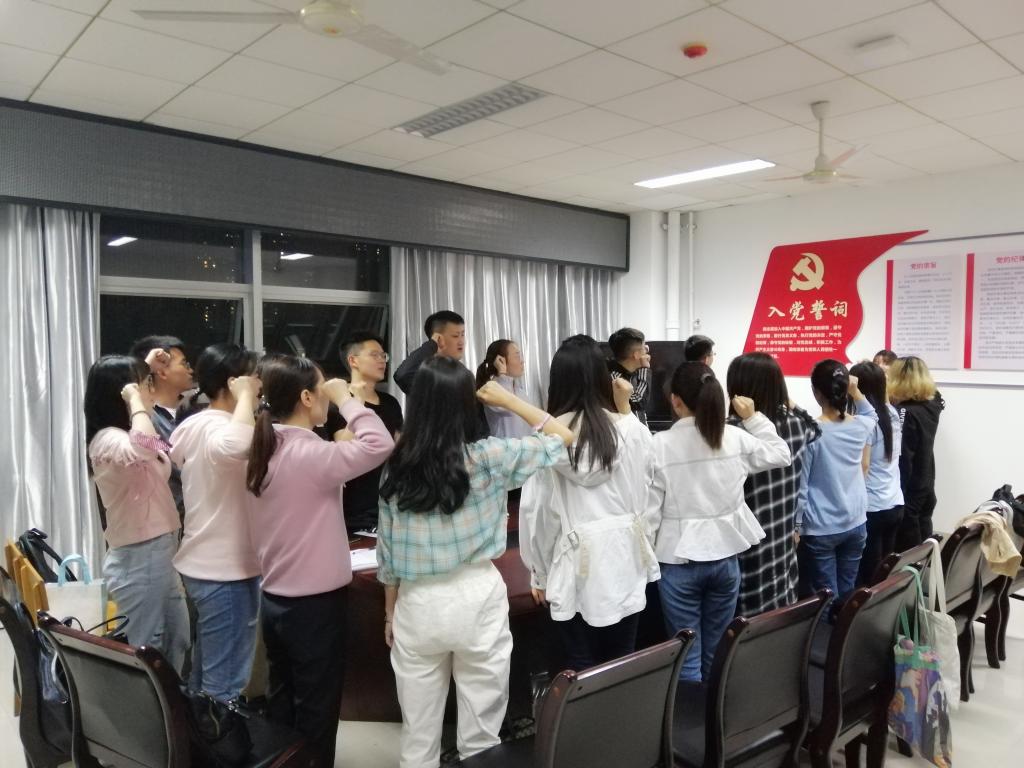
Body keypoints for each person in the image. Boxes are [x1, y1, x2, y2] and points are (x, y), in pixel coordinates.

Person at [377, 357, 574, 768]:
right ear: (467, 404)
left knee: (418, 735)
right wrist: (510, 401)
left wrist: (390, 612)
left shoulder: (397, 465)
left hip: (418, 601)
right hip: (477, 593)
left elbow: (388, 552)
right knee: (482, 734)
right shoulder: (490, 456)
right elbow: (563, 437)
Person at [246, 354, 394, 767]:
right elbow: (380, 444)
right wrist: (347, 398)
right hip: (313, 607)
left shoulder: (263, 447)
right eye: (322, 389)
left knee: (282, 700)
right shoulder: (310, 454)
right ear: (307, 397)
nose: (328, 396)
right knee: (317, 710)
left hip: (274, 599)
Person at [520, 335, 658, 671]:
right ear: (603, 377)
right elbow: (649, 490)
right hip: (627, 557)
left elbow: (539, 513)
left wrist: (539, 573)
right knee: (623, 660)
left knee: (580, 666)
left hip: (574, 565)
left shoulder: (549, 440)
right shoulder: (631, 430)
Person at [648, 362, 791, 681]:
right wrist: (753, 418)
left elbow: (650, 513)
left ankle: (689, 712)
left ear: (675, 401)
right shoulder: (735, 437)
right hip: (726, 560)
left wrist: (645, 558)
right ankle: (714, 711)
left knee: (686, 658)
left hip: (678, 561)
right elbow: (781, 454)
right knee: (716, 652)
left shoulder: (659, 445)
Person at [84, 351, 190, 672]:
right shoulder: (107, 441)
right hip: (138, 557)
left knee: (177, 639)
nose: (148, 390)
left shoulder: (131, 434)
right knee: (145, 648)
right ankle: (145, 705)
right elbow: (145, 445)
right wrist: (134, 397)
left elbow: (164, 447)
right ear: (121, 394)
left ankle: (170, 702)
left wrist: (145, 368)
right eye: (143, 384)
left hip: (161, 552)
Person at [168, 343, 261, 703]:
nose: (259, 384)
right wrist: (245, 397)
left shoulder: (196, 423)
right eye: (253, 377)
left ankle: (198, 731)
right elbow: (238, 444)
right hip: (225, 570)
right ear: (234, 382)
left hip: (205, 562)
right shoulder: (220, 427)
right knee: (225, 682)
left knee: (206, 668)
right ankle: (219, 734)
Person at [726, 352, 820, 617]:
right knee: (778, 617)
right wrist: (789, 402)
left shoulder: (732, 431)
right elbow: (816, 428)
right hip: (782, 541)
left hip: (749, 545)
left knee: (746, 622)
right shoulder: (796, 424)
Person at [796, 360, 876, 600]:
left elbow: (802, 485)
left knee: (825, 598)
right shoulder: (861, 426)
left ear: (816, 392)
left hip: (821, 526)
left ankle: (828, 626)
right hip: (856, 521)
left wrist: (796, 525)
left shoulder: (812, 432)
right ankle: (845, 626)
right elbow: (871, 413)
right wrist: (855, 391)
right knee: (847, 593)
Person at [317, 332, 404, 534]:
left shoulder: (390, 402)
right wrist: (356, 402)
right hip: (351, 507)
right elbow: (343, 448)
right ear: (353, 360)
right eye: (374, 355)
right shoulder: (337, 401)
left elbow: (399, 449)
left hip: (386, 501)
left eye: (383, 355)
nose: (382, 360)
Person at [849, 361, 903, 585]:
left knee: (868, 576)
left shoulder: (864, 421)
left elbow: (864, 465)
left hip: (872, 506)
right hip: (894, 501)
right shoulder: (891, 412)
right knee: (884, 574)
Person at [130, 334, 194, 518]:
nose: (191, 370)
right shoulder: (143, 417)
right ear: (162, 372)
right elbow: (161, 451)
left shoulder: (193, 410)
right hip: (161, 517)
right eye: (184, 364)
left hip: (194, 513)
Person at [888, 356, 944, 551]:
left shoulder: (905, 412)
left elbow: (904, 457)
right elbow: (937, 395)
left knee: (908, 551)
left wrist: (897, 493)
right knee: (925, 542)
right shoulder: (933, 405)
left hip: (910, 490)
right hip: (927, 482)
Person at [393, 310, 466, 395]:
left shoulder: (462, 373)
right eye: (455, 336)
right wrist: (432, 344)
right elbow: (403, 375)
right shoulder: (428, 374)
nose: (461, 341)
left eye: (463, 335)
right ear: (438, 339)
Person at [476, 339, 533, 439]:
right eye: (517, 356)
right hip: (503, 448)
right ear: (501, 361)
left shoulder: (520, 391)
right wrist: (502, 373)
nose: (522, 361)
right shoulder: (491, 390)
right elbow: (508, 407)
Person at [607, 327, 651, 426]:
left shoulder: (635, 373)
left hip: (640, 431)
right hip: (627, 433)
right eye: (644, 347)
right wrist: (645, 368)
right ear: (637, 354)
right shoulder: (615, 378)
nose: (647, 350)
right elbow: (638, 402)